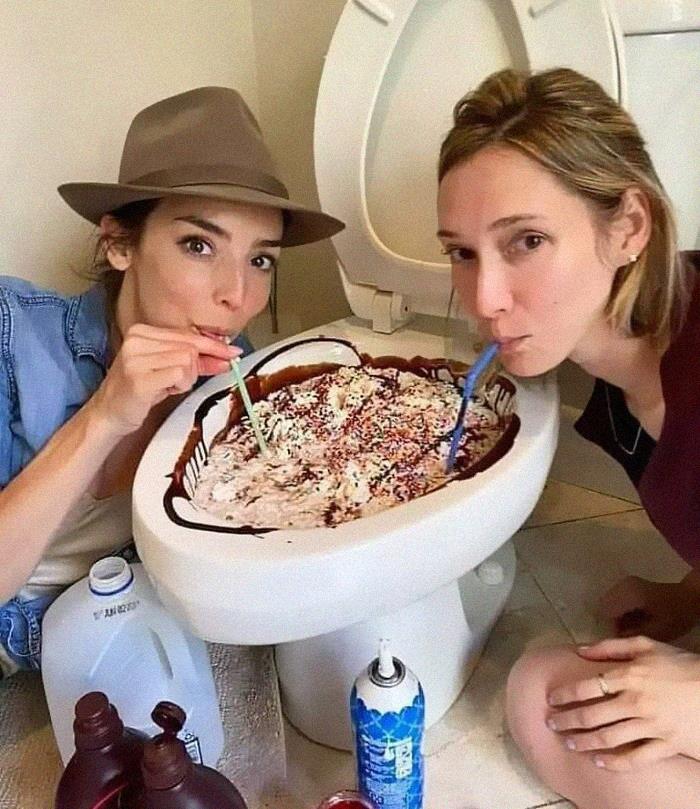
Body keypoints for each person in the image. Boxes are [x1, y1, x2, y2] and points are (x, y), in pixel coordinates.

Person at [0, 86, 343, 678]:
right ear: (119, 243)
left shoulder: (235, 381)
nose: (236, 295)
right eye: (198, 245)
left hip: (122, 651)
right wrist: (105, 416)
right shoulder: (13, 335)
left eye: (260, 259)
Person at [437, 67, 700, 807]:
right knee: (547, 696)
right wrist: (687, 596)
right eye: (462, 252)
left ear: (629, 228)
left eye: (526, 241)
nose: (485, 298)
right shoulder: (625, 373)